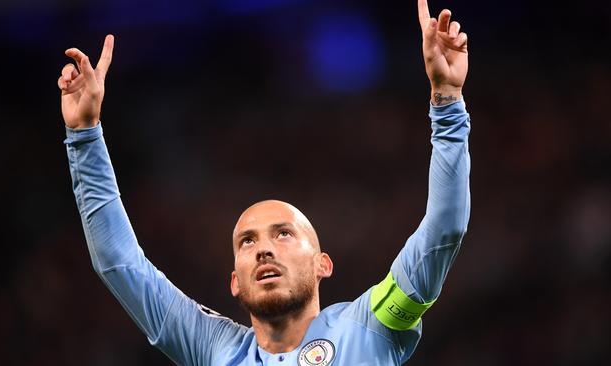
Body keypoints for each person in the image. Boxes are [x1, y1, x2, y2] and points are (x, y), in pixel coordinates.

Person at [57, 0, 470, 364]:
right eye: (247, 241)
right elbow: (119, 263)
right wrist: (84, 135)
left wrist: (447, 101)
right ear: (235, 280)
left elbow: (444, 229)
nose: (263, 250)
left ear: (322, 263)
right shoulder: (213, 348)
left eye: (284, 234)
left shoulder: (372, 325)